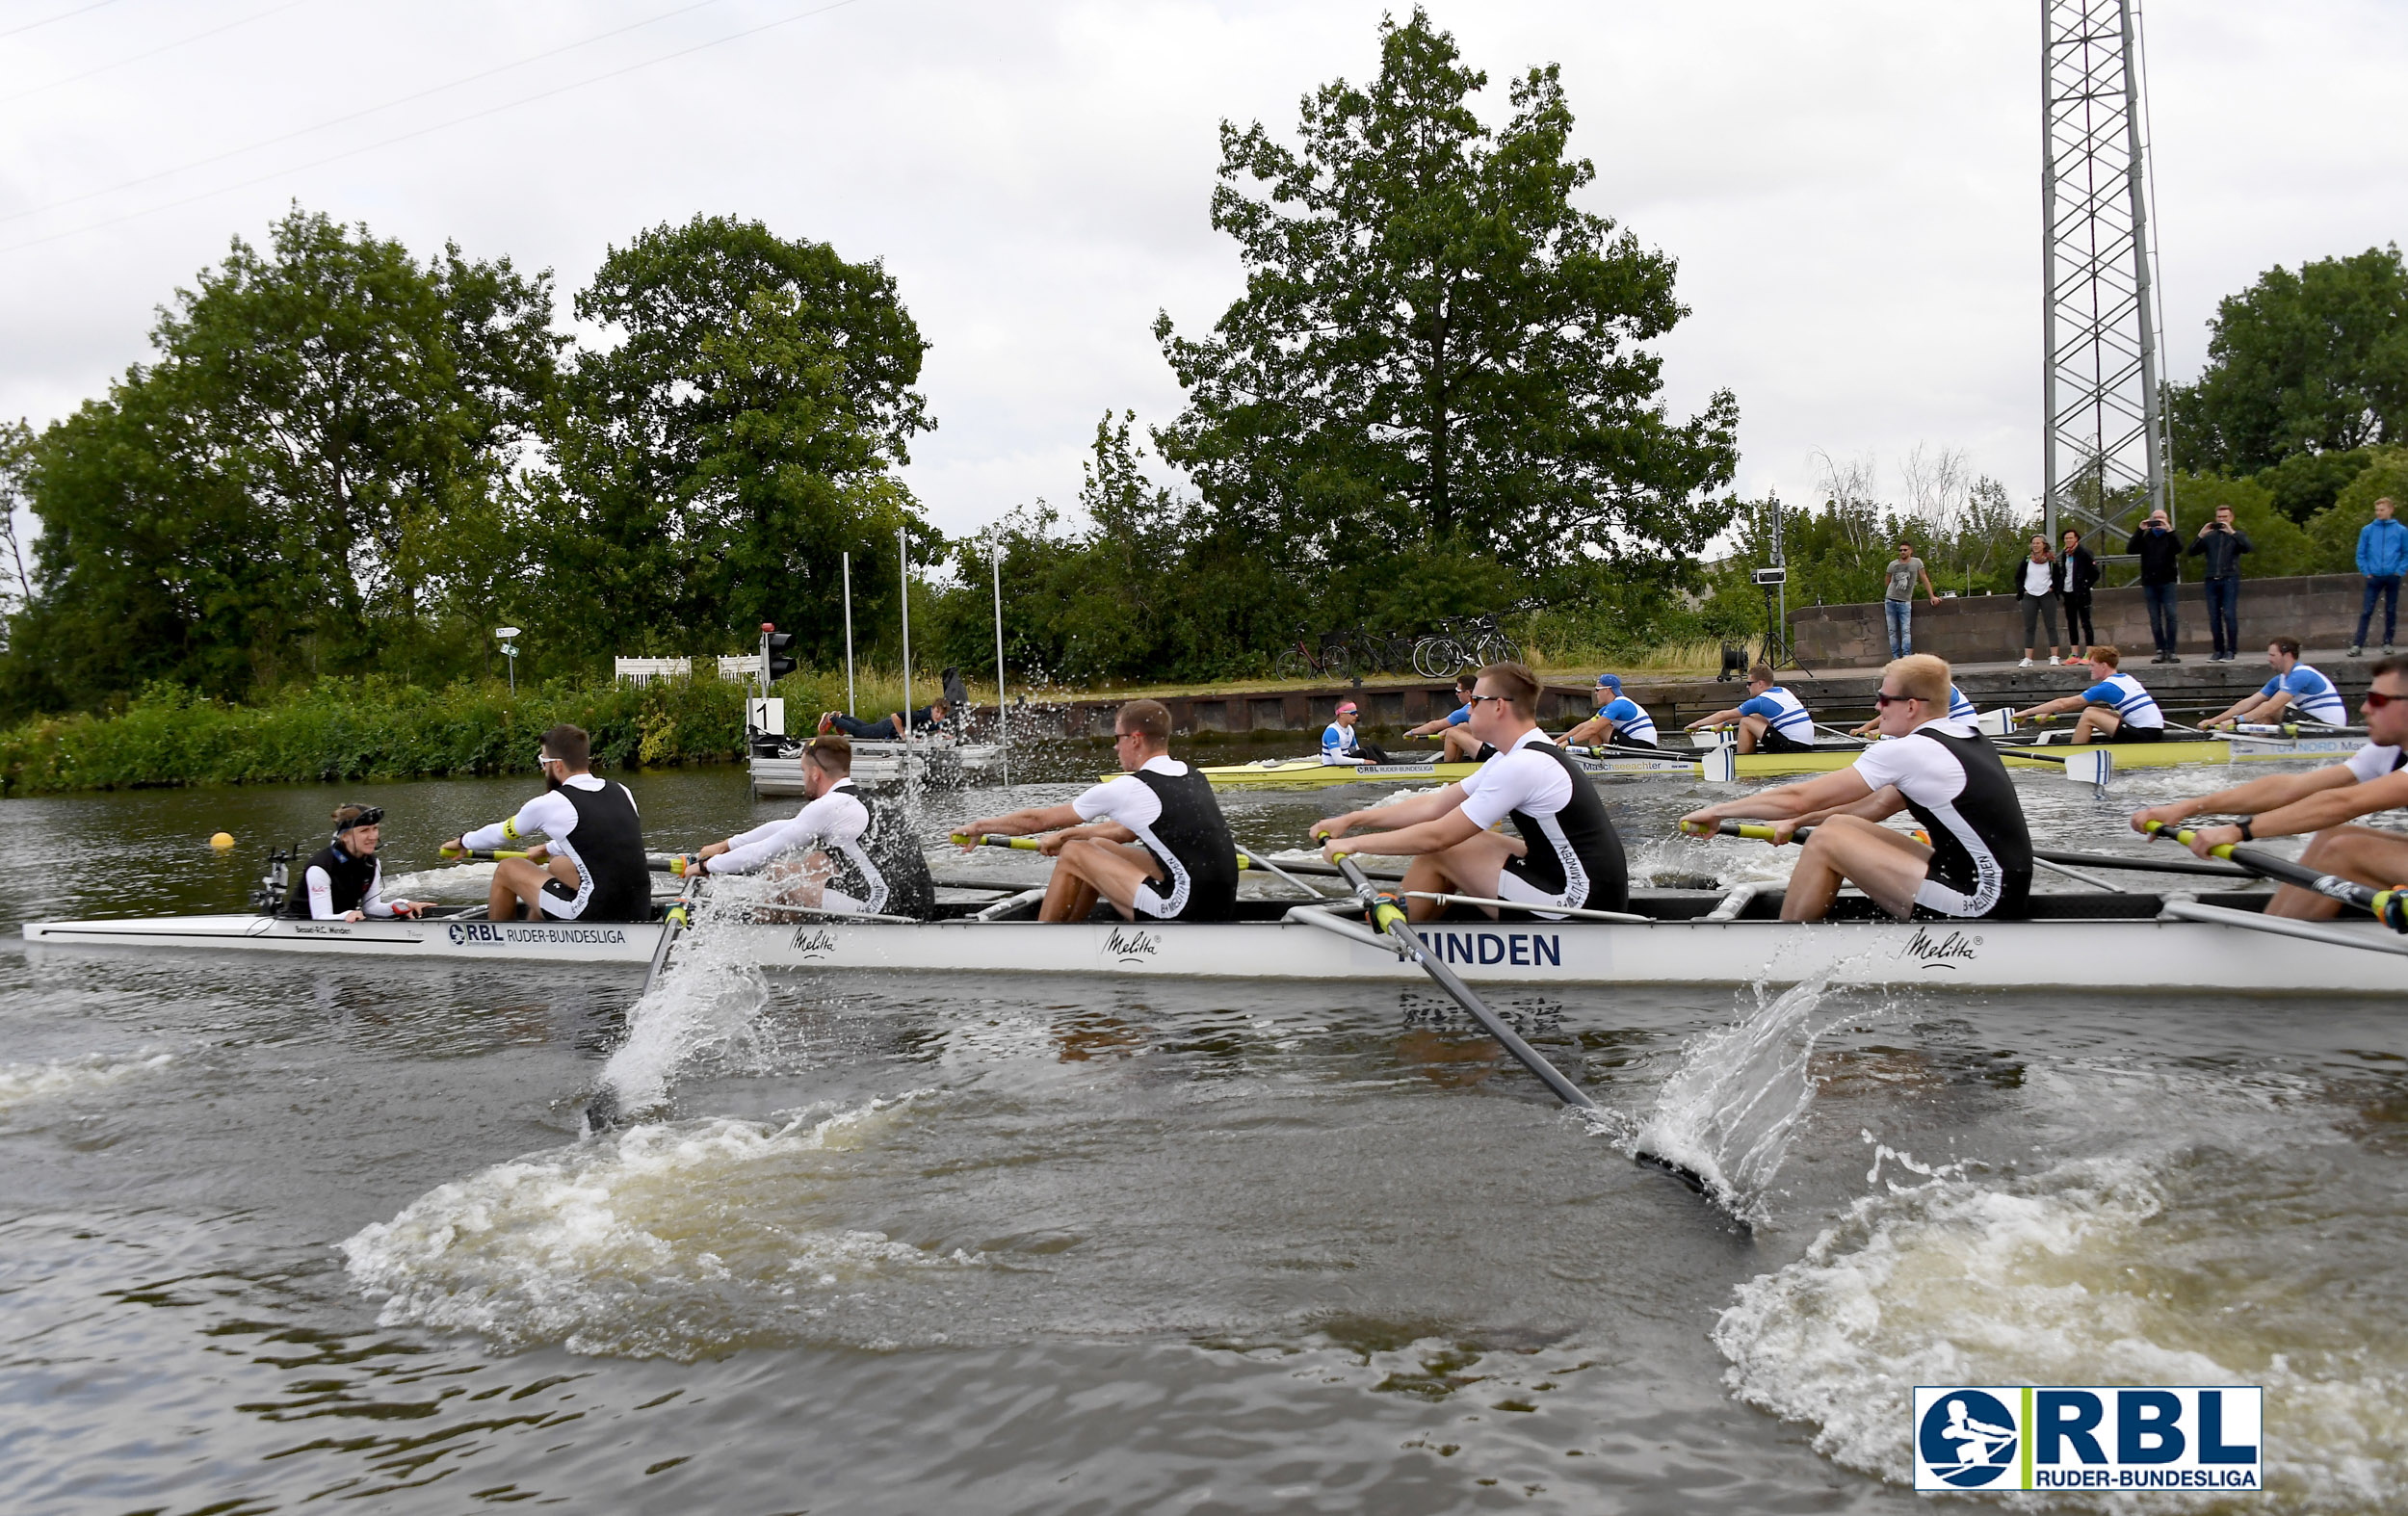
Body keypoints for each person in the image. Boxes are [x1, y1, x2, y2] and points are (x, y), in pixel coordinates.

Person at [1679, 654, 2032, 923]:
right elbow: (1873, 807)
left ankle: (1781, 949)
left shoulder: (1909, 750)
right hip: (1998, 886)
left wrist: (1715, 811)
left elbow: (1798, 796)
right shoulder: (1966, 737)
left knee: (1827, 841)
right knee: (1837, 827)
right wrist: (1799, 822)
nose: (1877, 708)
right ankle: (1804, 921)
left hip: (1982, 901)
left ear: (1911, 706)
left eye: (1884, 699)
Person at [1313, 661, 1628, 921]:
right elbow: (1434, 806)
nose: (1468, 708)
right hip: (1581, 884)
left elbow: (1436, 836)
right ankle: (1408, 914)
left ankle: (1394, 932)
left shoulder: (1523, 764)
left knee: (1444, 847)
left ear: (1499, 706)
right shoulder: (1517, 753)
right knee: (1465, 839)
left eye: (1475, 701)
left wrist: (1354, 845)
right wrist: (1352, 819)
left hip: (1581, 903)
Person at [2130, 657, 2408, 919]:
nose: (2364, 708)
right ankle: (2278, 929)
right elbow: (2291, 788)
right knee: (2332, 837)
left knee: (2345, 849)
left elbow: (2342, 804)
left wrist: (2238, 831)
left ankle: (2271, 953)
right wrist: (2185, 807)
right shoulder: (2388, 751)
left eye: (2378, 700)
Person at [958, 698, 1237, 924]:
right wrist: (1072, 834)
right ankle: (1074, 931)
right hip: (1220, 902)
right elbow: (1124, 833)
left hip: (1183, 908)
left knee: (1073, 853)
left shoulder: (1130, 786)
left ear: (1136, 739)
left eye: (1118, 738)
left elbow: (1036, 821)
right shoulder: (1192, 774)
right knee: (1094, 844)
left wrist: (979, 827)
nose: (1116, 747)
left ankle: (1042, 942)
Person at [685, 735, 934, 919]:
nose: (803, 778)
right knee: (815, 862)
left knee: (779, 877)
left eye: (803, 771)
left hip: (887, 909)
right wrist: (726, 845)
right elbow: (785, 828)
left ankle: (772, 944)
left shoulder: (829, 806)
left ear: (816, 774)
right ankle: (793, 932)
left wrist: (704, 867)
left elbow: (760, 855)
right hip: (919, 903)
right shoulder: (861, 800)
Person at [443, 724, 654, 923]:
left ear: (557, 765)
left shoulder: (551, 803)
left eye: (544, 762)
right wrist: (547, 848)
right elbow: (600, 838)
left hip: (594, 911)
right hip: (639, 908)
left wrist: (463, 841)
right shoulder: (622, 791)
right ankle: (538, 936)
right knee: (558, 865)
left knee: (508, 868)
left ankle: (498, 945)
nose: (543, 769)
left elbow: (499, 834)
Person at [277, 804, 428, 922]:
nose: (372, 836)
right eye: (364, 831)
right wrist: (347, 915)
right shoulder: (320, 867)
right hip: (302, 923)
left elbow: (371, 908)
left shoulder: (372, 863)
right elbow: (321, 917)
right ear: (345, 837)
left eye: (375, 829)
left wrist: (400, 905)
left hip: (342, 922)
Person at [2009, 645, 2164, 744]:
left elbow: (2064, 703)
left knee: (2089, 714)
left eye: (2092, 665)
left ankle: (2074, 754)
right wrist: (2049, 710)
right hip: (2152, 729)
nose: (2090, 669)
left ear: (2104, 666)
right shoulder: (2126, 679)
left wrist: (2027, 712)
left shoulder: (2107, 687)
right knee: (2097, 711)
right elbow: (2071, 704)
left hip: (2146, 735)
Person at [2203, 637, 2350, 729]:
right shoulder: (2280, 680)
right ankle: (2258, 754)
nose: (2269, 659)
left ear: (2287, 655)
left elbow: (2272, 706)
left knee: (2271, 708)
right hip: (2309, 723)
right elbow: (2247, 703)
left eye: (2272, 655)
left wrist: (2235, 721)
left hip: (2329, 727)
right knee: (2262, 716)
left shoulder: (2301, 674)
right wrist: (2213, 721)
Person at [1688, 664, 1816, 754]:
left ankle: (1743, 761)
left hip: (1793, 747)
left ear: (1760, 683)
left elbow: (1723, 714)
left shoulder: (1760, 701)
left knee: (1746, 722)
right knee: (1751, 718)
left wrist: (1697, 724)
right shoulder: (1783, 691)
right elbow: (1756, 716)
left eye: (1749, 683)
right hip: (1806, 745)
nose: (1747, 687)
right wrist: (1725, 724)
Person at [2186, 503, 2252, 662]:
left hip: (2229, 577)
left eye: (2225, 517)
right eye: (2219, 517)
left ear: (2231, 518)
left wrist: (2232, 532)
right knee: (2214, 616)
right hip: (2211, 579)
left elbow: (2248, 548)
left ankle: (2231, 650)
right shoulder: (2210, 537)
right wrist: (2201, 534)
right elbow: (2191, 552)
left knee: (2229, 614)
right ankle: (2218, 650)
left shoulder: (2237, 536)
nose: (2222, 520)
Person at [2125, 508, 2184, 663]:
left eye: (2161, 518)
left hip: (2168, 581)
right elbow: (2130, 549)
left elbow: (2179, 548)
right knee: (2155, 618)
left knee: (2171, 616)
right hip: (2150, 582)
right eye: (2155, 519)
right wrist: (2140, 529)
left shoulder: (2170, 537)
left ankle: (2171, 650)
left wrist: (2169, 530)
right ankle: (2160, 649)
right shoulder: (2147, 538)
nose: (2158, 522)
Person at [2352, 496, 2404, 658]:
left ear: (2390, 510)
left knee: (2390, 610)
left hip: (2392, 575)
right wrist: (2366, 571)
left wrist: (2399, 571)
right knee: (2367, 610)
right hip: (2374, 576)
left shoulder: (2401, 531)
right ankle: (2357, 644)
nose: (2379, 513)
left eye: (2382, 510)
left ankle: (2388, 642)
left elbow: (2406, 553)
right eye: (2377, 510)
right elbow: (2360, 553)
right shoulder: (2367, 530)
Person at [1560, 673, 1658, 749]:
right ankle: (1596, 754)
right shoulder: (1609, 707)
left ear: (1607, 690)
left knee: (1597, 727)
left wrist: (1566, 743)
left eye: (1597, 689)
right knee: (1594, 725)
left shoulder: (1617, 705)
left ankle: (1596, 760)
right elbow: (1582, 726)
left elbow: (1592, 729)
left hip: (1643, 747)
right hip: (1635, 743)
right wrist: (1555, 742)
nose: (1595, 693)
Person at [1402, 672, 1485, 762]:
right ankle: (1457, 763)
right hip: (1493, 748)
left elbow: (1433, 726)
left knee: (1451, 733)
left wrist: (1412, 732)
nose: (1456, 694)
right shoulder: (1486, 702)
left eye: (1458, 691)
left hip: (1488, 751)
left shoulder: (1465, 711)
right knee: (1462, 727)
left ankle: (1448, 767)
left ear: (1468, 692)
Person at [1850, 682, 1976, 739]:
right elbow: (1895, 710)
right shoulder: (1923, 687)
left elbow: (1921, 718)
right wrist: (1865, 727)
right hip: (1940, 730)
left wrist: (1882, 732)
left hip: (1959, 732)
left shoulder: (1942, 691)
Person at [1883, 540, 1938, 659]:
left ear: (1910, 551)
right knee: (1892, 631)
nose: (1902, 552)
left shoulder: (1916, 562)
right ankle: (1896, 657)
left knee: (1905, 630)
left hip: (1905, 601)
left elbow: (1924, 578)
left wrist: (1932, 596)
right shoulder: (1893, 564)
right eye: (1900, 550)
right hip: (1891, 600)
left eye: (1905, 550)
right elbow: (1887, 581)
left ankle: (1907, 656)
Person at [2014, 536, 2063, 667]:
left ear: (2044, 545)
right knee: (2029, 627)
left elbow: (2059, 577)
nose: (2035, 545)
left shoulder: (2051, 561)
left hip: (2047, 595)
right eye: (2033, 543)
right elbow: (2018, 577)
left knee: (2051, 625)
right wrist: (2022, 590)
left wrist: (2053, 589)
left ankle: (2054, 656)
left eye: (2038, 543)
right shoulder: (2027, 560)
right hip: (2030, 595)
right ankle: (2028, 658)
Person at [820, 697, 950, 741]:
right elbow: (895, 716)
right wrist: (903, 735)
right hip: (888, 728)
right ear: (932, 709)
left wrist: (942, 734)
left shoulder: (937, 720)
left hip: (890, 728)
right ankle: (831, 719)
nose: (938, 716)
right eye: (937, 712)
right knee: (860, 733)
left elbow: (937, 727)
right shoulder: (920, 716)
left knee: (865, 727)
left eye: (942, 714)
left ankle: (841, 716)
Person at [2058, 529, 2102, 650]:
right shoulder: (2065, 554)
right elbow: (2065, 572)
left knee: (2085, 622)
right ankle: (2074, 653)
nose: (2068, 540)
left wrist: (2085, 585)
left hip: (2081, 593)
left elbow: (2095, 573)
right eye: (2066, 538)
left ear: (2076, 539)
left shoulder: (2084, 552)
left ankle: (2089, 651)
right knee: (2071, 623)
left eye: (2071, 538)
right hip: (2068, 591)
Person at [1321, 701, 1389, 764]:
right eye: (1352, 713)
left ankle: (1390, 765)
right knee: (1366, 750)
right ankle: (1383, 769)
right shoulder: (1332, 731)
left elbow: (1357, 751)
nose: (1356, 715)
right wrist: (1363, 761)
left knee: (1374, 747)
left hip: (1343, 763)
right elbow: (1338, 760)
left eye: (1356, 712)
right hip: (1333, 766)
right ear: (1342, 714)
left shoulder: (1350, 729)